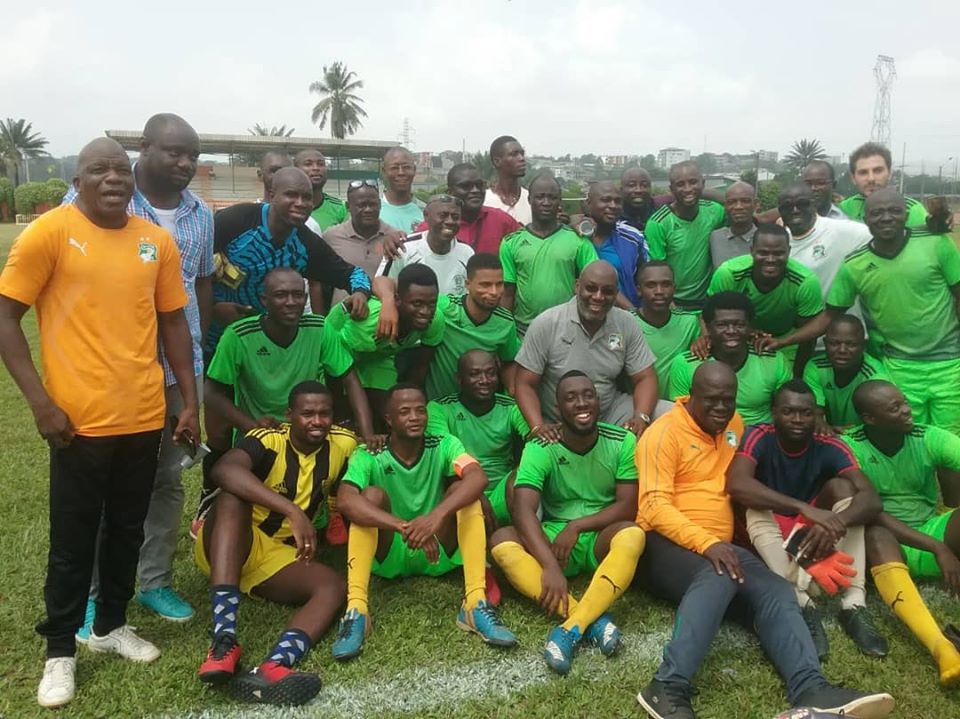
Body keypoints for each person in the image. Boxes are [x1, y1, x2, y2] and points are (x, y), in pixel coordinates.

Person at [0, 137, 200, 708]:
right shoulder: (49, 233)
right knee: (73, 538)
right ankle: (60, 649)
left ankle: (111, 624)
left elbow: (174, 324)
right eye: (98, 170)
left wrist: (188, 402)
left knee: (127, 529)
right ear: (78, 180)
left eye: (120, 170)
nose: (112, 178)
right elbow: (7, 318)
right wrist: (41, 403)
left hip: (143, 415)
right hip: (77, 423)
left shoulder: (154, 241)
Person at [634, 364, 895, 719]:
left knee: (776, 588)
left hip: (719, 546)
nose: (721, 408)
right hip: (663, 544)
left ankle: (811, 687)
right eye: (711, 399)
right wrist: (707, 544)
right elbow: (653, 506)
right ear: (691, 396)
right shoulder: (663, 434)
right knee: (721, 573)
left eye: (728, 400)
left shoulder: (734, 425)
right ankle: (667, 686)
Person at [61, 114, 212, 628]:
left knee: (167, 479)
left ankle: (154, 582)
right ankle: (91, 593)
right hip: (110, 370)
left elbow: (201, 284)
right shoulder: (97, 198)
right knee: (103, 484)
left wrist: (198, 357)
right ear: (143, 148)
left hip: (177, 369)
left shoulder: (199, 214)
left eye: (192, 156)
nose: (185, 163)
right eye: (175, 152)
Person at [330, 383, 517, 660]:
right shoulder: (369, 453)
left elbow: (478, 477)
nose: (415, 417)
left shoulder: (444, 443)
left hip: (437, 547)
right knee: (369, 497)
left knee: (466, 494)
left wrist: (434, 518)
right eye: (404, 412)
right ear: (389, 419)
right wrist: (402, 526)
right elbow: (346, 500)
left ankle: (475, 604)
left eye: (420, 410)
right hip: (390, 550)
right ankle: (357, 610)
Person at [194, 381, 352, 705]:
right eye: (307, 413)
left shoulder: (343, 444)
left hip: (276, 556)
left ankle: (273, 667)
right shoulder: (269, 439)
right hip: (230, 541)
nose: (317, 421)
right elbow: (224, 470)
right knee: (232, 497)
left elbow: (372, 462)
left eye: (324, 413)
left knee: (333, 586)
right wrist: (292, 510)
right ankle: (223, 641)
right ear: (289, 415)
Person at [490, 371, 645, 674]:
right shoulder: (541, 445)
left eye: (588, 395)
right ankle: (591, 618)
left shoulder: (622, 440)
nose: (581, 403)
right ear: (557, 408)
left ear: (598, 401)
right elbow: (523, 510)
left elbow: (628, 505)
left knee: (633, 534)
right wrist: (549, 565)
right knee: (501, 541)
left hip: (598, 536)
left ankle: (572, 627)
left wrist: (577, 526)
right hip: (555, 539)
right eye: (571, 398)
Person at [726, 380, 887, 659]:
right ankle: (802, 604)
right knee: (753, 503)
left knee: (844, 490)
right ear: (774, 412)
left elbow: (871, 498)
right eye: (788, 411)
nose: (798, 419)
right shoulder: (759, 434)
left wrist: (837, 522)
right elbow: (737, 483)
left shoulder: (830, 444)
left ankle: (853, 603)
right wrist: (802, 506)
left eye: (806, 413)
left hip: (809, 530)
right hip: (768, 529)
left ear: (816, 415)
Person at [844, 380, 960, 687]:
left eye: (904, 402)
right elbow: (870, 510)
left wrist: (938, 541)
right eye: (895, 408)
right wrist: (938, 548)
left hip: (931, 527)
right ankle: (943, 649)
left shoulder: (928, 436)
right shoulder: (851, 447)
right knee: (874, 532)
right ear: (870, 418)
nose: (907, 410)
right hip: (888, 541)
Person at [827, 188, 960, 434]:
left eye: (894, 211)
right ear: (866, 219)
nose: (886, 218)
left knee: (951, 441)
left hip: (950, 362)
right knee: (908, 437)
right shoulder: (854, 264)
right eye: (877, 213)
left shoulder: (936, 242)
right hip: (899, 366)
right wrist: (784, 340)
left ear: (906, 215)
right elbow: (830, 315)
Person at [205, 267, 376, 447]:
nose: (291, 302)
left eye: (298, 295)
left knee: (347, 449)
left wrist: (368, 434)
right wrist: (253, 428)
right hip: (259, 436)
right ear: (264, 300)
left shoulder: (319, 329)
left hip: (308, 432)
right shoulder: (239, 335)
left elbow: (350, 379)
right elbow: (211, 392)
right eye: (280, 295)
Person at [207, 167, 372, 353]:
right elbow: (188, 270)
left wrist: (360, 293)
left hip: (264, 347)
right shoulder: (236, 221)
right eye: (291, 195)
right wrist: (213, 307)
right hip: (212, 339)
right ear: (272, 196)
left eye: (307, 197)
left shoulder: (306, 244)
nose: (300, 203)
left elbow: (353, 274)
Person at [515, 260, 658, 436]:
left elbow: (645, 377)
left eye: (607, 291)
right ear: (577, 286)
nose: (598, 297)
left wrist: (641, 417)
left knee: (666, 414)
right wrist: (538, 426)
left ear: (616, 294)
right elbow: (524, 383)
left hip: (610, 411)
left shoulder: (626, 322)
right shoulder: (547, 323)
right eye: (591, 288)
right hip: (559, 420)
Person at [327, 264, 444, 419]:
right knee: (344, 412)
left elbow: (421, 367)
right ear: (398, 300)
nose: (425, 311)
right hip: (336, 357)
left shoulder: (435, 320)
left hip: (378, 359)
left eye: (431, 304)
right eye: (417, 304)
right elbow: (333, 360)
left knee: (392, 413)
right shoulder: (369, 323)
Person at [427, 350, 529, 527]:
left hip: (503, 493)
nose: (484, 380)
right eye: (475, 374)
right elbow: (443, 455)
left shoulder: (511, 407)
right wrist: (474, 491)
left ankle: (522, 535)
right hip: (460, 493)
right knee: (459, 490)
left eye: (491, 373)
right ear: (459, 379)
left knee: (523, 474)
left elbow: (535, 442)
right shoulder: (440, 409)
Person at [708, 223, 828, 369]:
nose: (770, 259)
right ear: (752, 251)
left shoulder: (805, 282)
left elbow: (809, 332)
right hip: (737, 337)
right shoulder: (729, 274)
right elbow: (708, 316)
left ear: (789, 252)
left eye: (778, 253)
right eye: (763, 253)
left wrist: (798, 372)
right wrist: (707, 339)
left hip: (785, 341)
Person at [670, 292, 791, 425]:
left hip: (760, 433)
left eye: (739, 324)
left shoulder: (773, 361)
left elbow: (787, 412)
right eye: (722, 325)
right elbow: (682, 418)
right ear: (708, 328)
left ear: (750, 327)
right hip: (705, 434)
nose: (731, 331)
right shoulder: (686, 364)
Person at [499, 174, 598, 332]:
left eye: (552, 198)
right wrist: (504, 331)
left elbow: (595, 284)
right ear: (530, 199)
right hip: (523, 331)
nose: (546, 202)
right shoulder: (511, 242)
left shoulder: (578, 241)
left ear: (559, 201)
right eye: (540, 197)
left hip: (566, 329)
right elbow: (507, 293)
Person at [425, 252, 520, 401]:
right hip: (438, 405)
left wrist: (513, 391)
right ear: (467, 284)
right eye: (485, 285)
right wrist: (388, 300)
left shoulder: (506, 323)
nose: (494, 292)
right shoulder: (444, 307)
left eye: (499, 284)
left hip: (478, 407)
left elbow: (509, 361)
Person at [645, 160, 727, 308]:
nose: (688, 189)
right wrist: (671, 306)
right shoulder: (658, 223)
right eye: (680, 184)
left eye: (693, 182)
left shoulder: (715, 211)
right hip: (674, 302)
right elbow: (658, 270)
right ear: (671, 189)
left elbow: (738, 209)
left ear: (703, 183)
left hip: (709, 300)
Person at [778, 183, 871, 300]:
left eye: (802, 204)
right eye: (787, 206)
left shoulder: (840, 230)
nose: (795, 210)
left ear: (814, 205)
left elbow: (879, 238)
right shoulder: (778, 241)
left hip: (836, 310)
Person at [802, 315, 889, 432]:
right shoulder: (816, 367)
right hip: (828, 434)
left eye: (851, 344)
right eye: (834, 343)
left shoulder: (875, 377)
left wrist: (846, 435)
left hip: (864, 436)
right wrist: (826, 428)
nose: (842, 350)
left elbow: (880, 422)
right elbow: (815, 414)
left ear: (864, 346)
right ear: (825, 343)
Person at [322, 179, 399, 305]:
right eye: (361, 205)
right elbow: (319, 284)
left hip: (382, 315)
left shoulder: (394, 238)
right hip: (343, 315)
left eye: (372, 204)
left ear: (380, 204)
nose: (368, 209)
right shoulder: (331, 237)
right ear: (348, 207)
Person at [415, 163, 519, 255]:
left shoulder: (502, 221)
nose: (475, 190)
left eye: (480, 185)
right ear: (450, 192)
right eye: (466, 186)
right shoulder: (431, 227)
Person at [379, 194, 474, 295]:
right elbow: (381, 285)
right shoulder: (403, 248)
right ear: (426, 216)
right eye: (443, 215)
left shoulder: (467, 253)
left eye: (455, 217)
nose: (450, 221)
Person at [633, 262, 700, 401]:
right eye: (651, 285)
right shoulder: (627, 323)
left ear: (674, 288)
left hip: (678, 406)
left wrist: (704, 339)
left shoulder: (689, 323)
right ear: (639, 290)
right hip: (637, 404)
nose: (659, 291)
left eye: (666, 284)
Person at [583, 180, 649, 308]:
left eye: (618, 201)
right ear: (588, 203)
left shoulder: (633, 238)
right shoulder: (575, 237)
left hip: (626, 316)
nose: (613, 206)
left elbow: (648, 280)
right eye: (605, 200)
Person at [838, 142, 928, 227]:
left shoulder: (913, 211)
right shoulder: (843, 209)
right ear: (853, 178)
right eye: (863, 172)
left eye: (878, 171)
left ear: (889, 173)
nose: (871, 178)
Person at [293, 148, 347, 232]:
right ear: (295, 170)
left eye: (320, 164)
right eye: (308, 164)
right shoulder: (287, 208)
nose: (316, 168)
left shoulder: (341, 209)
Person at [709, 181, 757, 268]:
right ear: (725, 206)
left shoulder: (763, 240)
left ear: (756, 204)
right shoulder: (715, 237)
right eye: (732, 202)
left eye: (745, 201)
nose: (738, 207)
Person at [484, 135, 531, 224]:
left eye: (522, 154)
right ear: (497, 161)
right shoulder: (484, 201)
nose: (521, 158)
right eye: (514, 154)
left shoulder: (532, 200)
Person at [379, 146, 423, 232]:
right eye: (394, 168)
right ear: (384, 171)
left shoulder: (426, 211)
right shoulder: (372, 211)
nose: (401, 173)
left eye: (406, 167)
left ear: (414, 170)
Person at [620, 167, 672, 232]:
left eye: (644, 185)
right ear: (621, 190)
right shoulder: (614, 214)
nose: (638, 190)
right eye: (632, 185)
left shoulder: (661, 210)